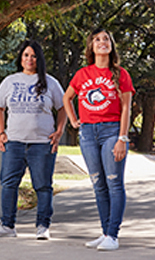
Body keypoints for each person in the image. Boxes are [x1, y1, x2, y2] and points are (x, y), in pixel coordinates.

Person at [0, 40, 66, 240]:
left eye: (34, 56)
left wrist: (59, 131)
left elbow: (62, 108)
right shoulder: (10, 81)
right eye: (26, 55)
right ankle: (7, 226)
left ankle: (43, 226)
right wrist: (1, 132)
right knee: (9, 183)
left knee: (43, 185)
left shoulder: (50, 82)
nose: (29, 59)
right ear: (21, 58)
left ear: (39, 60)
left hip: (42, 144)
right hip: (14, 143)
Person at [63, 28, 134, 250]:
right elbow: (67, 98)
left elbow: (126, 109)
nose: (102, 42)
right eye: (97, 39)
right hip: (88, 133)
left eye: (106, 39)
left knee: (114, 182)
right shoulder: (83, 74)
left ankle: (113, 234)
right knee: (98, 184)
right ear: (91, 46)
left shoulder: (121, 74)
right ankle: (105, 234)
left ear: (111, 46)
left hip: (112, 131)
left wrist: (122, 137)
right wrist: (74, 121)